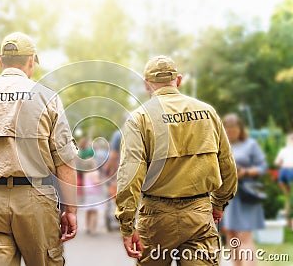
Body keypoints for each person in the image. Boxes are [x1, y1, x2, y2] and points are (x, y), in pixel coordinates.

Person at [0, 32, 78, 266]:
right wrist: (71, 210)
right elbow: (65, 162)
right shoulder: (47, 98)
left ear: (0, 60)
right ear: (31, 60)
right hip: (36, 199)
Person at [115, 56, 238, 265]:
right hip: (199, 213)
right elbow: (227, 164)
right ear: (178, 80)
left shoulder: (140, 118)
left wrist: (127, 226)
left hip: (156, 216)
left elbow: (130, 175)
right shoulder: (208, 113)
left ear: (146, 84)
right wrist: (218, 203)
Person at [222, 113, 267, 266]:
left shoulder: (250, 145)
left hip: (246, 196)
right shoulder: (221, 145)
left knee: (244, 236)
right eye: (228, 131)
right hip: (228, 198)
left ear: (240, 130)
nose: (231, 134)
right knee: (231, 235)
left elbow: (262, 167)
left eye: (234, 130)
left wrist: (245, 172)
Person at [274, 133, 293, 229]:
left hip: (283, 172)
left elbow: (276, 162)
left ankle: (289, 224)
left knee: (288, 198)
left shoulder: (283, 150)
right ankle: (291, 223)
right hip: (291, 171)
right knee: (291, 198)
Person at [81, 159, 103, 235]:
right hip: (94, 194)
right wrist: (102, 181)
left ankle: (88, 227)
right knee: (95, 212)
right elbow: (96, 182)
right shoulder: (95, 173)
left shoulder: (85, 174)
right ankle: (93, 229)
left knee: (88, 211)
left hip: (87, 194)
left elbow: (84, 184)